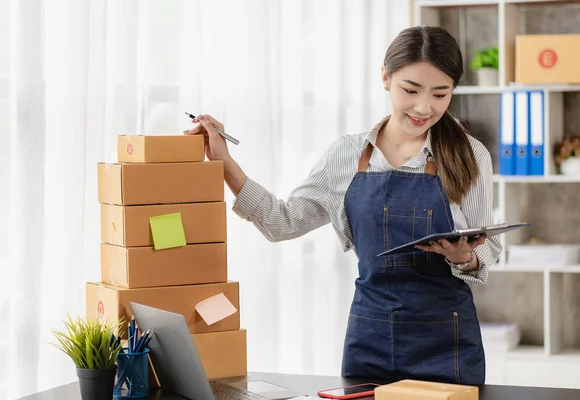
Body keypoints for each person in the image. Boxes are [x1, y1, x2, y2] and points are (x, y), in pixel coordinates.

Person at [184, 25, 502, 386]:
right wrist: (224, 161)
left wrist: (464, 257)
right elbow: (281, 222)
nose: (424, 107)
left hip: (447, 343)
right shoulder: (348, 154)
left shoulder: (470, 155)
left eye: (440, 94)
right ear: (385, 77)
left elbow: (488, 246)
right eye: (410, 90)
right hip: (371, 340)